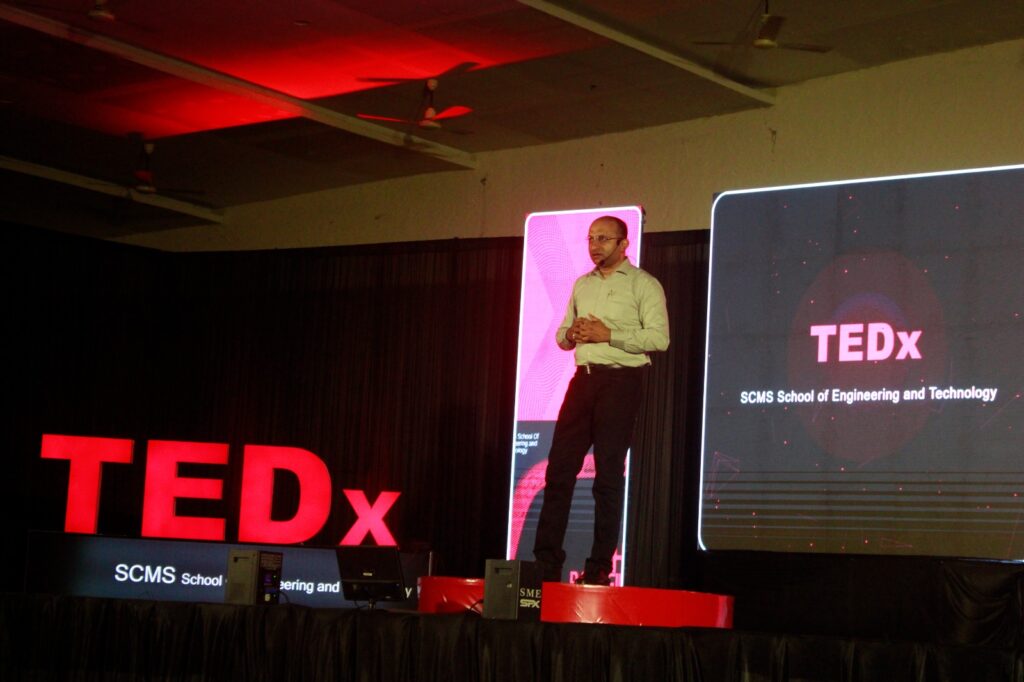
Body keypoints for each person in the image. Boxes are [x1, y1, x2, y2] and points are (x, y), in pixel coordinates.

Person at [533, 215, 669, 586]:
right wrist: (571, 334)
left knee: (607, 478)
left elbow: (659, 339)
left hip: (621, 382)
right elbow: (562, 335)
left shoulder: (644, 284)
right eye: (591, 238)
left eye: (604, 239)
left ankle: (597, 570)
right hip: (583, 381)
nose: (595, 245)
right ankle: (546, 565)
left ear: (624, 244)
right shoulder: (582, 284)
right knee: (558, 472)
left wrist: (608, 334)